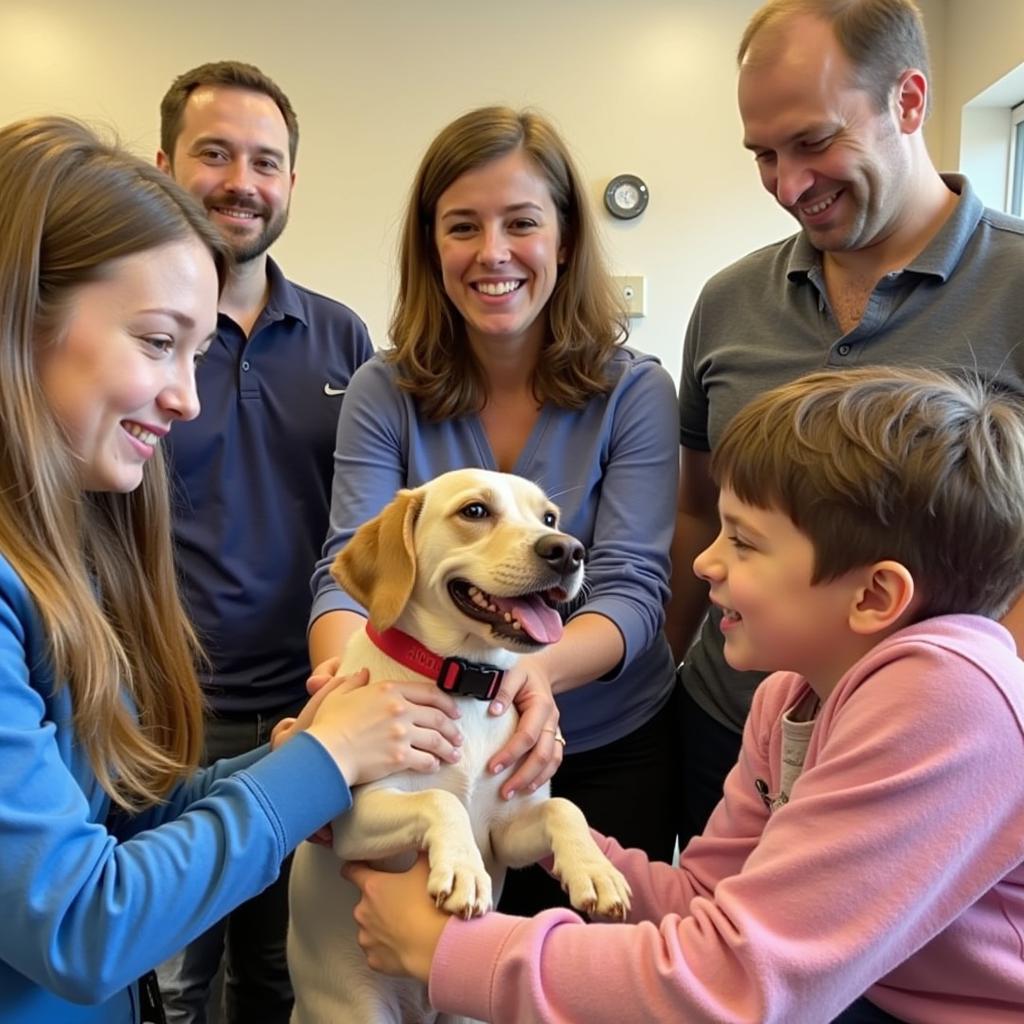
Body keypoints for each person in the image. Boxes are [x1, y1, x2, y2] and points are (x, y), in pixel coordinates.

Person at [344, 365, 1024, 1024]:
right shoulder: (788, 696)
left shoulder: (948, 698)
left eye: (744, 543)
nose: (703, 562)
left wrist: (453, 952)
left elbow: (735, 986)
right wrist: (549, 833)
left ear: (874, 596)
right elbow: (704, 898)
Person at [0, 115, 463, 1024]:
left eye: (197, 349)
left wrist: (289, 758)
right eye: (157, 341)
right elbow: (81, 921)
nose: (187, 395)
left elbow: (115, 814)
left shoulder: (70, 562)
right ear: (23, 319)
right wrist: (325, 762)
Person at [666, 0, 1024, 847]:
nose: (789, 186)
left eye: (815, 142)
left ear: (908, 101)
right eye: (764, 154)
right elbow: (697, 511)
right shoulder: (728, 302)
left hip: (921, 767)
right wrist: (658, 685)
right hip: (726, 727)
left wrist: (969, 718)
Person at [307, 105, 680, 915]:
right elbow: (348, 568)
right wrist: (346, 687)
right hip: (428, 735)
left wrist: (524, 675)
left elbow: (633, 586)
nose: (493, 253)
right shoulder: (385, 389)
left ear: (567, 240)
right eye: (462, 227)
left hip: (610, 742)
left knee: (594, 981)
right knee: (432, 967)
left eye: (522, 223)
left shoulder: (637, 390)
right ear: (431, 245)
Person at [152, 61, 373, 1024]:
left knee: (288, 971)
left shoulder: (342, 339)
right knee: (167, 974)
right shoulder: (134, 334)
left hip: (310, 712)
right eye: (215, 153)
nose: (243, 180)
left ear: (290, 183)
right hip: (158, 715)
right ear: (163, 165)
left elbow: (370, 538)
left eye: (267, 162)